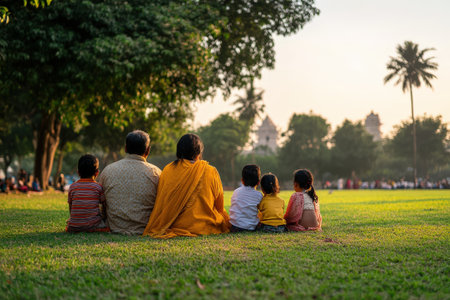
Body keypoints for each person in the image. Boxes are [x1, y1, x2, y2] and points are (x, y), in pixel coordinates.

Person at [143, 133, 230, 238]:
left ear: (179, 151)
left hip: (174, 225)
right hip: (206, 225)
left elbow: (162, 201)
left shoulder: (168, 169)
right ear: (199, 152)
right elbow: (219, 206)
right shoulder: (210, 171)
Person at [98, 130, 161, 235]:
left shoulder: (108, 170)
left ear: (125, 148)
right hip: (145, 229)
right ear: (148, 150)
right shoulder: (156, 173)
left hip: (114, 228)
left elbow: (101, 205)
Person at [66, 154, 109, 233]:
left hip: (74, 227)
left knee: (69, 222)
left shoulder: (72, 187)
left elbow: (71, 207)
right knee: (106, 225)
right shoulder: (98, 187)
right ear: (97, 173)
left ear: (78, 172)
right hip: (94, 226)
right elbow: (104, 206)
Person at [229, 165, 263, 232]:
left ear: (242, 180)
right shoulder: (259, 195)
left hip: (234, 226)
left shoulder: (236, 191)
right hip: (251, 228)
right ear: (258, 182)